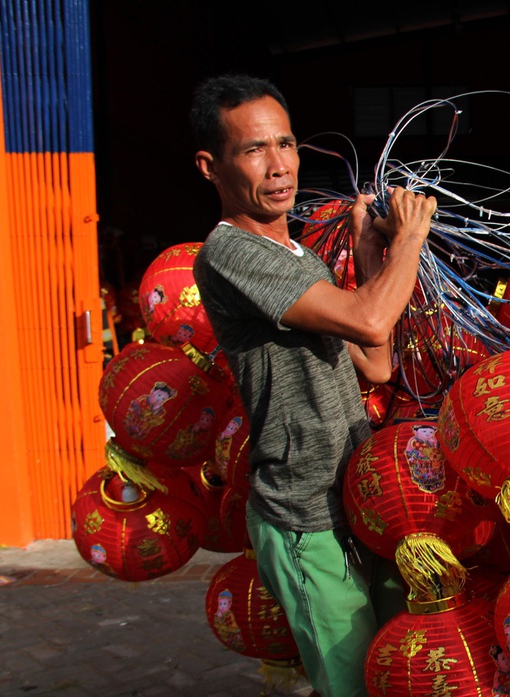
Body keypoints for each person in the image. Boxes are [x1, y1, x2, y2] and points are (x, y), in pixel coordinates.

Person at [190, 74, 435, 697]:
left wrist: (369, 252)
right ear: (210, 167)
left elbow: (375, 362)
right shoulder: (230, 252)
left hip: (358, 499)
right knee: (350, 684)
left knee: (393, 672)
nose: (278, 167)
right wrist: (410, 237)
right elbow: (372, 317)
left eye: (287, 145)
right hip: (305, 516)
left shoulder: (302, 258)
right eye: (253, 150)